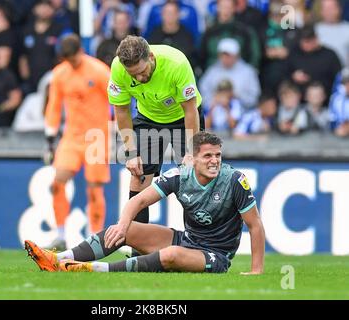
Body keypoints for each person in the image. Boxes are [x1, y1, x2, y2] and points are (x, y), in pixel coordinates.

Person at [25, 132, 265, 274]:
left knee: (171, 255)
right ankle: (57, 260)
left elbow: (255, 225)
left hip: (215, 255)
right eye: (208, 156)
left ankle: (91, 269)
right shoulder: (179, 176)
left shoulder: (234, 180)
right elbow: (139, 200)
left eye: (218, 156)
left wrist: (256, 271)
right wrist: (121, 226)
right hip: (188, 239)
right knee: (125, 229)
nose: (214, 161)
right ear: (192, 159)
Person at [108, 35, 204, 228]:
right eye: (133, 75)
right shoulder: (118, 68)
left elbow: (190, 110)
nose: (139, 79)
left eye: (142, 71)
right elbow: (121, 110)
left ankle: (197, 243)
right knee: (138, 176)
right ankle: (138, 248)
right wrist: (131, 153)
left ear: (151, 57)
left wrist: (191, 152)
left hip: (182, 118)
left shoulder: (176, 63)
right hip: (149, 118)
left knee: (192, 179)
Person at [44, 34, 112, 250]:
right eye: (68, 60)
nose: (71, 63)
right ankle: (60, 234)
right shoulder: (60, 74)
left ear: (80, 51)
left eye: (73, 59)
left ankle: (94, 238)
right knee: (57, 182)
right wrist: (49, 138)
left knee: (94, 189)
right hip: (71, 137)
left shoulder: (100, 71)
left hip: (96, 138)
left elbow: (117, 99)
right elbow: (54, 106)